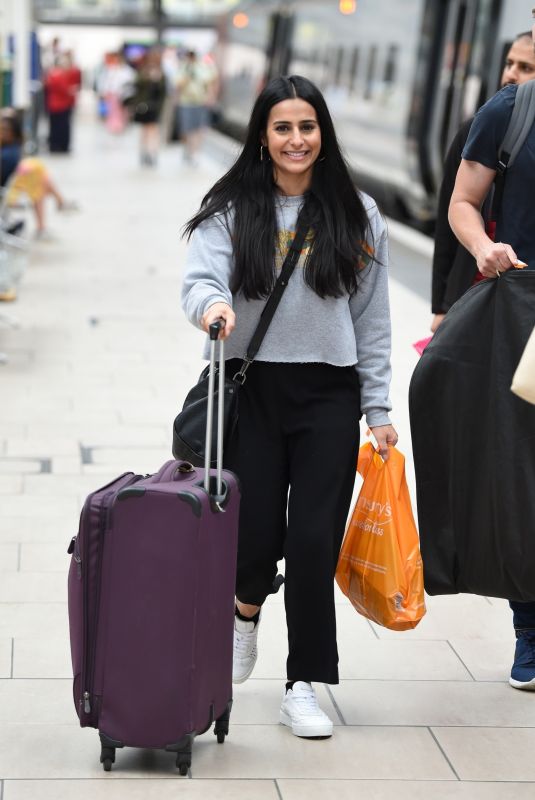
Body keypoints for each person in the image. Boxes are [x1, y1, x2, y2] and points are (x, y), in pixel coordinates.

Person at [181, 75, 397, 737]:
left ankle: (304, 682)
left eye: (307, 127)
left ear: (322, 133)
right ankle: (245, 611)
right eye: (282, 128)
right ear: (262, 135)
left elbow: (372, 319)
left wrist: (378, 407)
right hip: (253, 388)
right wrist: (211, 308)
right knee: (253, 538)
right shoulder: (231, 208)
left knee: (311, 541)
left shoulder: (356, 214)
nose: (296, 140)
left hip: (328, 393)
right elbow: (201, 279)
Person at [448, 14, 535, 691]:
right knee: (523, 473)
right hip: (525, 311)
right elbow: (462, 202)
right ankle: (529, 630)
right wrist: (483, 249)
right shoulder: (510, 108)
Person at [431, 31, 535, 333]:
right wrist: (442, 306)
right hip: (494, 299)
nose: (512, 74)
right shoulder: (494, 118)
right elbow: (452, 212)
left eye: (526, 67)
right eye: (509, 63)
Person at [1, 110, 78, 239]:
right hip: (11, 191)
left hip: (8, 193)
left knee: (35, 173)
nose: (1, 131)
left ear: (12, 133)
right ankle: (59, 203)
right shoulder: (13, 151)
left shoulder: (7, 155)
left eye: (4, 129)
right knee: (36, 175)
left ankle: (57, 205)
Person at [175, 50, 218, 165]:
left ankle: (195, 153)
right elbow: (178, 84)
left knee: (199, 129)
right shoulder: (183, 68)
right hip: (186, 102)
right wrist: (187, 74)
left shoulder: (202, 68)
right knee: (187, 129)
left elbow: (211, 80)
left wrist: (211, 97)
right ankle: (188, 150)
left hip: (200, 103)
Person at [129, 49, 167, 167]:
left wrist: (157, 79)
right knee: (144, 131)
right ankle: (144, 153)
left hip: (155, 107)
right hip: (143, 106)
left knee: (153, 131)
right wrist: (147, 78)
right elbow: (136, 85)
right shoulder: (142, 71)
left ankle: (152, 153)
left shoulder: (162, 74)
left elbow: (163, 91)